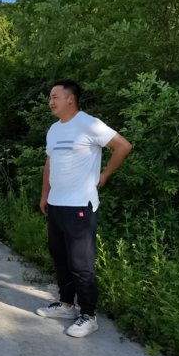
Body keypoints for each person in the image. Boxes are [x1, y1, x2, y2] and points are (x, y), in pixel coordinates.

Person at [36, 80, 132, 337]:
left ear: (71, 98)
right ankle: (66, 304)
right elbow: (49, 163)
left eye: (55, 96)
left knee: (81, 263)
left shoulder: (89, 124)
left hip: (79, 205)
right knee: (59, 256)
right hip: (56, 204)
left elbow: (123, 146)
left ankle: (88, 316)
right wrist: (45, 195)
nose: (51, 101)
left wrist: (106, 174)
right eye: (49, 97)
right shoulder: (54, 129)